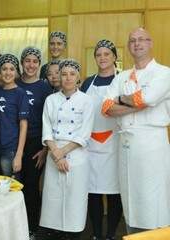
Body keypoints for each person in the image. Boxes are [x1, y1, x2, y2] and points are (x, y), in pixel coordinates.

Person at [101, 27, 170, 233]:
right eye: (132, 41)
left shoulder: (164, 73)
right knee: (130, 194)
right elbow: (105, 108)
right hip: (126, 144)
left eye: (141, 39)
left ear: (150, 43)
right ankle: (133, 234)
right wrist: (135, 102)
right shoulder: (121, 77)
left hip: (151, 143)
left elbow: (147, 99)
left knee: (152, 197)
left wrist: (120, 99)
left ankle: (157, 234)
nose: (137, 44)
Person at [40, 59, 94, 240]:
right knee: (53, 198)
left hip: (76, 155)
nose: (68, 78)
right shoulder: (51, 100)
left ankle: (74, 233)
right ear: (59, 77)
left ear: (78, 78)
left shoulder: (86, 101)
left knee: (74, 198)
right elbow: (46, 130)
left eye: (72, 74)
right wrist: (56, 153)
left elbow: (84, 134)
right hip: (54, 151)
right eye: (64, 74)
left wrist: (61, 153)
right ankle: (54, 232)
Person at [81, 40, 122, 240]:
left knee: (115, 191)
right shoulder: (88, 82)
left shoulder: (122, 80)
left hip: (116, 144)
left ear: (115, 57)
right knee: (93, 192)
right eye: (99, 54)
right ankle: (97, 234)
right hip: (91, 145)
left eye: (107, 54)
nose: (103, 58)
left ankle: (111, 235)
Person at [17, 46, 52, 237]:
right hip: (13, 143)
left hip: (35, 144)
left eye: (35, 61)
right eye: (27, 60)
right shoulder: (12, 83)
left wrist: (46, 149)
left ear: (39, 64)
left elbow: (50, 119)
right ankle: (15, 227)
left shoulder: (44, 88)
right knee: (14, 187)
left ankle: (32, 229)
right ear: (22, 63)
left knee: (31, 187)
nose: (31, 65)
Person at [0, 54, 29, 177]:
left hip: (10, 149)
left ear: (16, 71)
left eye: (12, 69)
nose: (8, 72)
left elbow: (23, 125)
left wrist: (19, 154)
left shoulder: (20, 94)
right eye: (4, 69)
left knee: (11, 188)